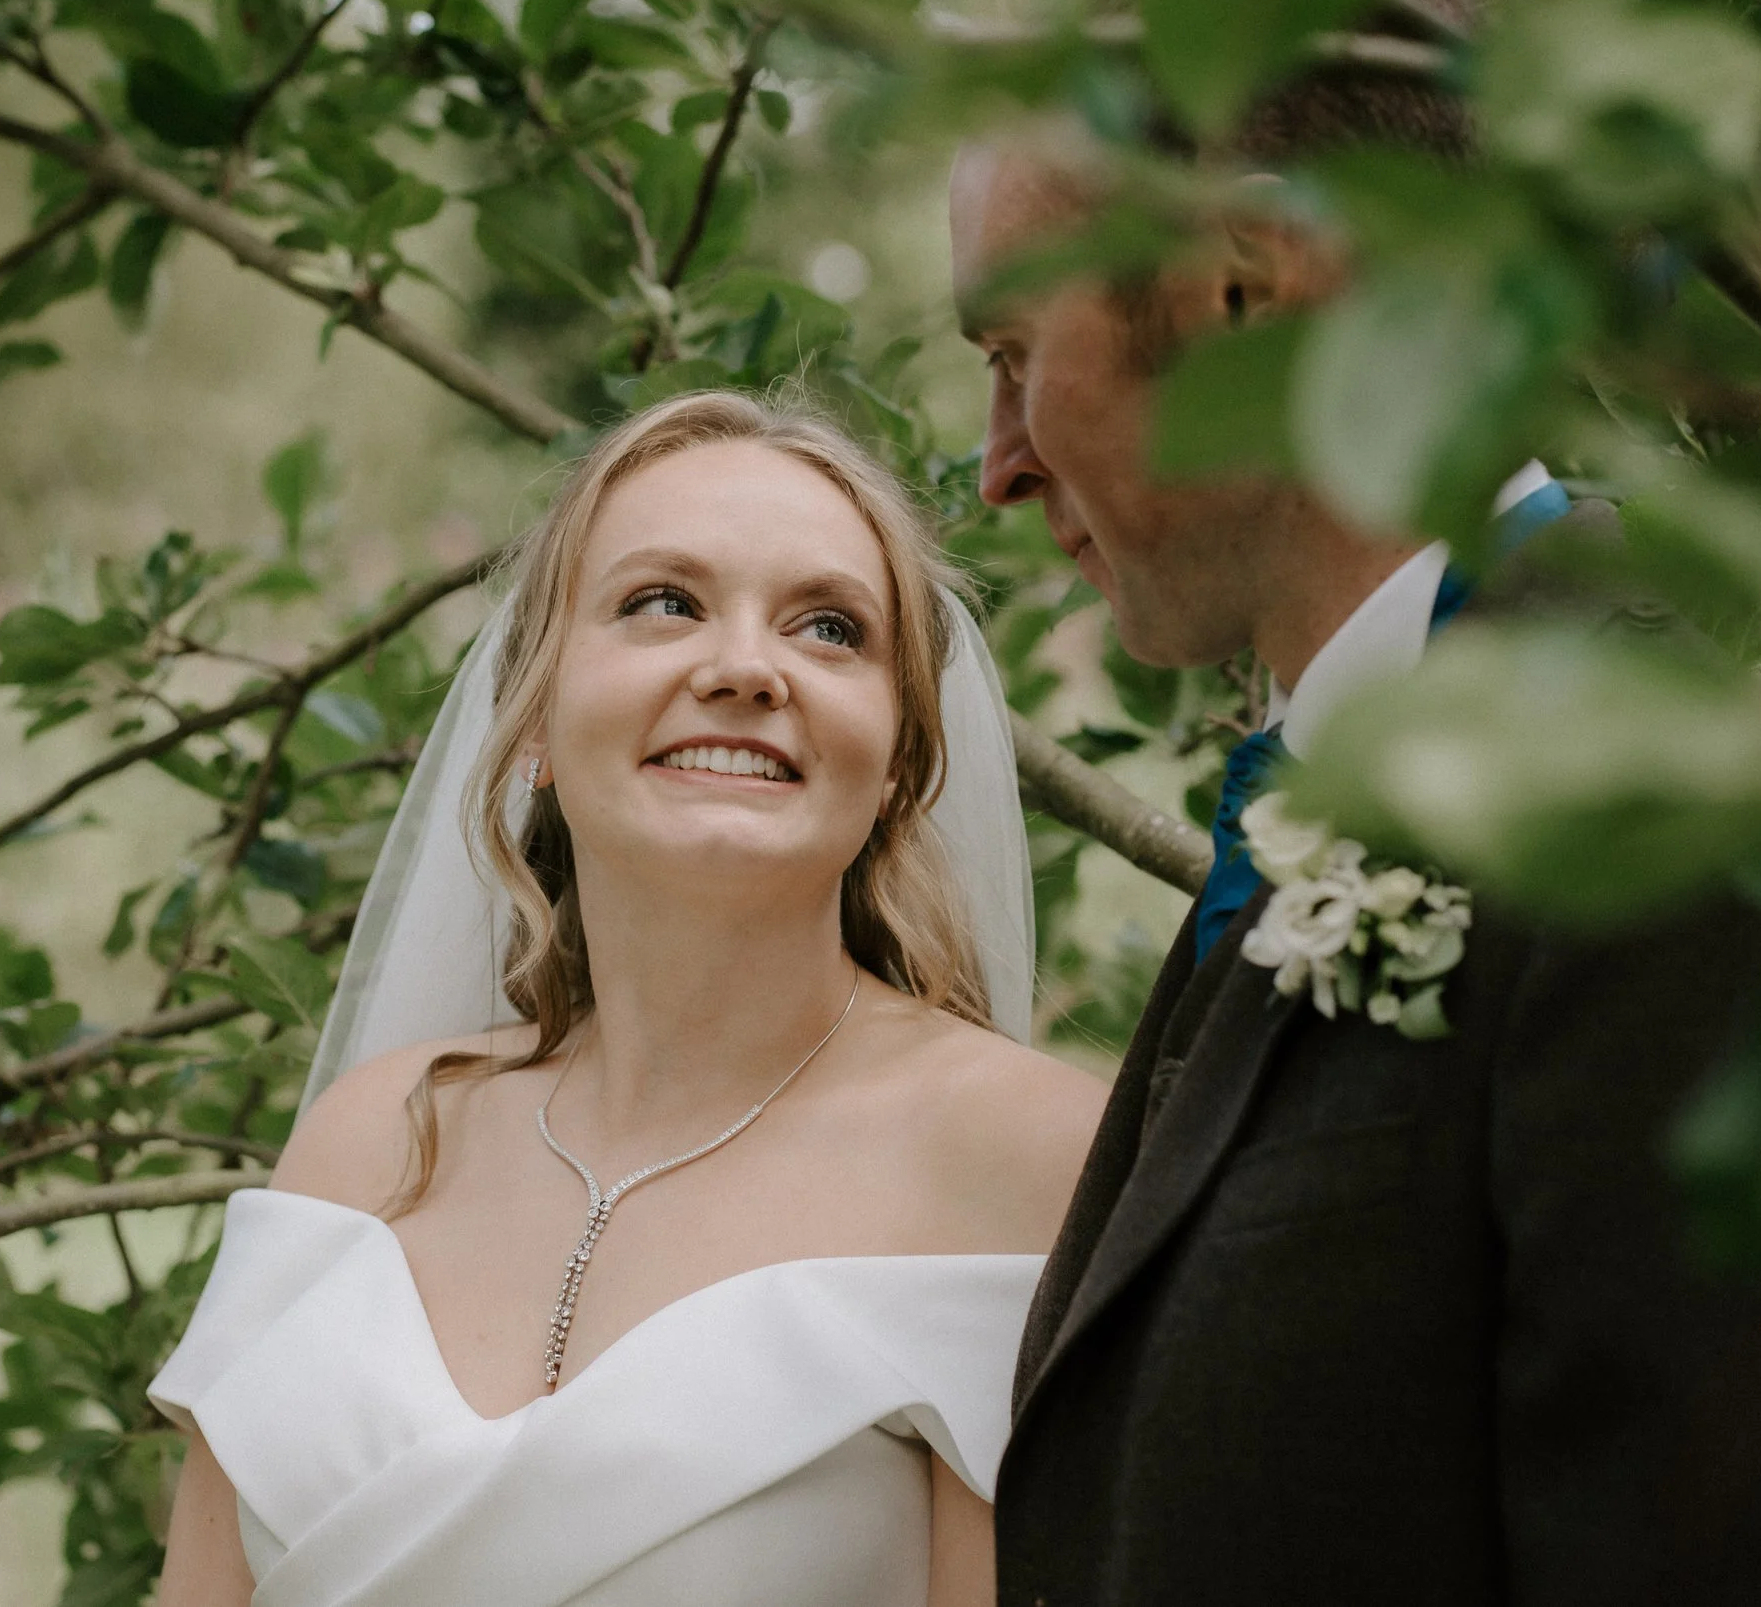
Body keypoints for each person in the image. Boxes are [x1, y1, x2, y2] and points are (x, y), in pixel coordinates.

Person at [951, 0, 1761, 1607]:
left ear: (1242, 289)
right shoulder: (1324, 804)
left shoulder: (1692, 827)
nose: (995, 460)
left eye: (1012, 349)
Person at [148, 390, 1106, 1607]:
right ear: (535, 711)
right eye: (664, 602)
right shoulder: (366, 1141)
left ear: (900, 759)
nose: (746, 667)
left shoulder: (1027, 1157)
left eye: (827, 628)